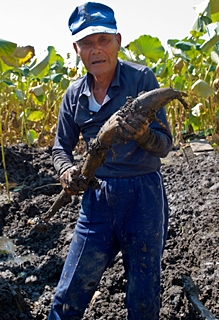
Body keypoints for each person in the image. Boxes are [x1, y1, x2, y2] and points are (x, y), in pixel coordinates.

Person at [48, 2, 172, 320]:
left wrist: (143, 135)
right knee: (67, 296)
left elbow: (164, 146)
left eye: (103, 40)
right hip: (97, 198)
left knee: (143, 296)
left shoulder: (141, 79)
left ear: (118, 40)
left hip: (143, 196)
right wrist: (66, 172)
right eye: (87, 43)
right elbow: (60, 147)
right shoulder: (74, 95)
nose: (96, 50)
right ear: (76, 48)